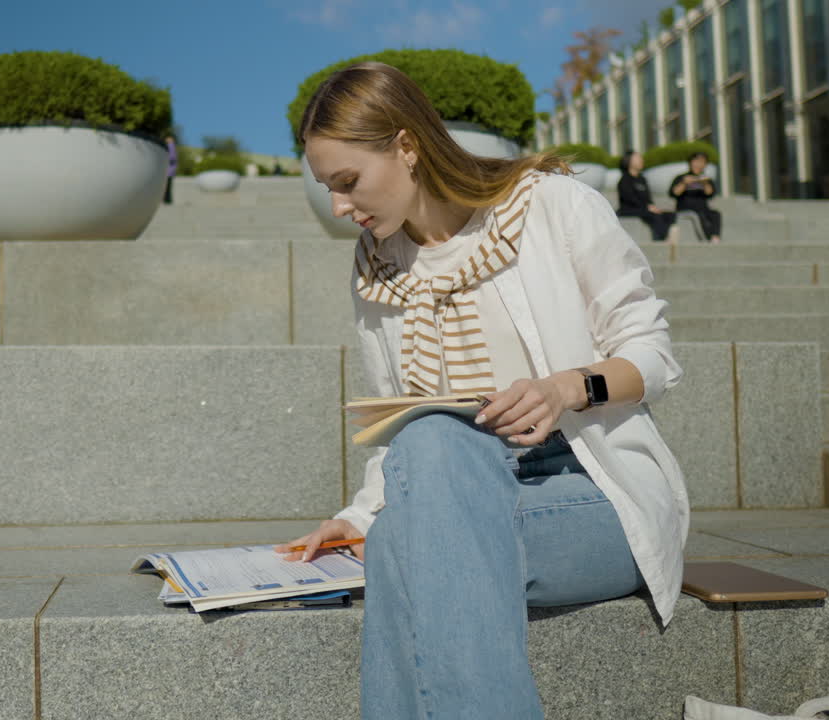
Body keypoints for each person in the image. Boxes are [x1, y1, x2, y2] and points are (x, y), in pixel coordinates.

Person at [274, 62, 687, 719]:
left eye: (347, 183)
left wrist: (564, 389)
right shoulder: (377, 266)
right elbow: (397, 428)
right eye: (328, 189)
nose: (339, 209)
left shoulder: (552, 206)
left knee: (404, 543)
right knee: (426, 453)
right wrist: (356, 519)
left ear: (407, 147)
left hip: (592, 487)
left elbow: (653, 356)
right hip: (453, 483)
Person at [616, 150, 678, 243]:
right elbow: (630, 199)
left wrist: (652, 206)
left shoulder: (642, 179)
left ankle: (669, 236)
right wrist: (647, 207)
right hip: (629, 209)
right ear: (628, 161)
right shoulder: (624, 180)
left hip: (645, 209)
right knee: (654, 216)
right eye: (638, 158)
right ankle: (660, 240)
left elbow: (648, 198)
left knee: (670, 215)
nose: (641, 160)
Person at [670, 152, 722, 244]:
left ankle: (715, 237)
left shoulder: (706, 179)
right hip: (685, 208)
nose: (699, 164)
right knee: (699, 214)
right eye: (696, 161)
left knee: (715, 214)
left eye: (702, 162)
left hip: (703, 208)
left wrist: (705, 183)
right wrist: (684, 183)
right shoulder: (681, 177)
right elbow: (673, 193)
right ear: (691, 162)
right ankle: (707, 238)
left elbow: (710, 194)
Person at [164, 134, 177, 204]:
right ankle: (168, 199)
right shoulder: (172, 146)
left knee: (167, 186)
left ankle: (167, 200)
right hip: (170, 170)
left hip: (169, 170)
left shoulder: (170, 146)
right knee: (168, 186)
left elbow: (172, 157)